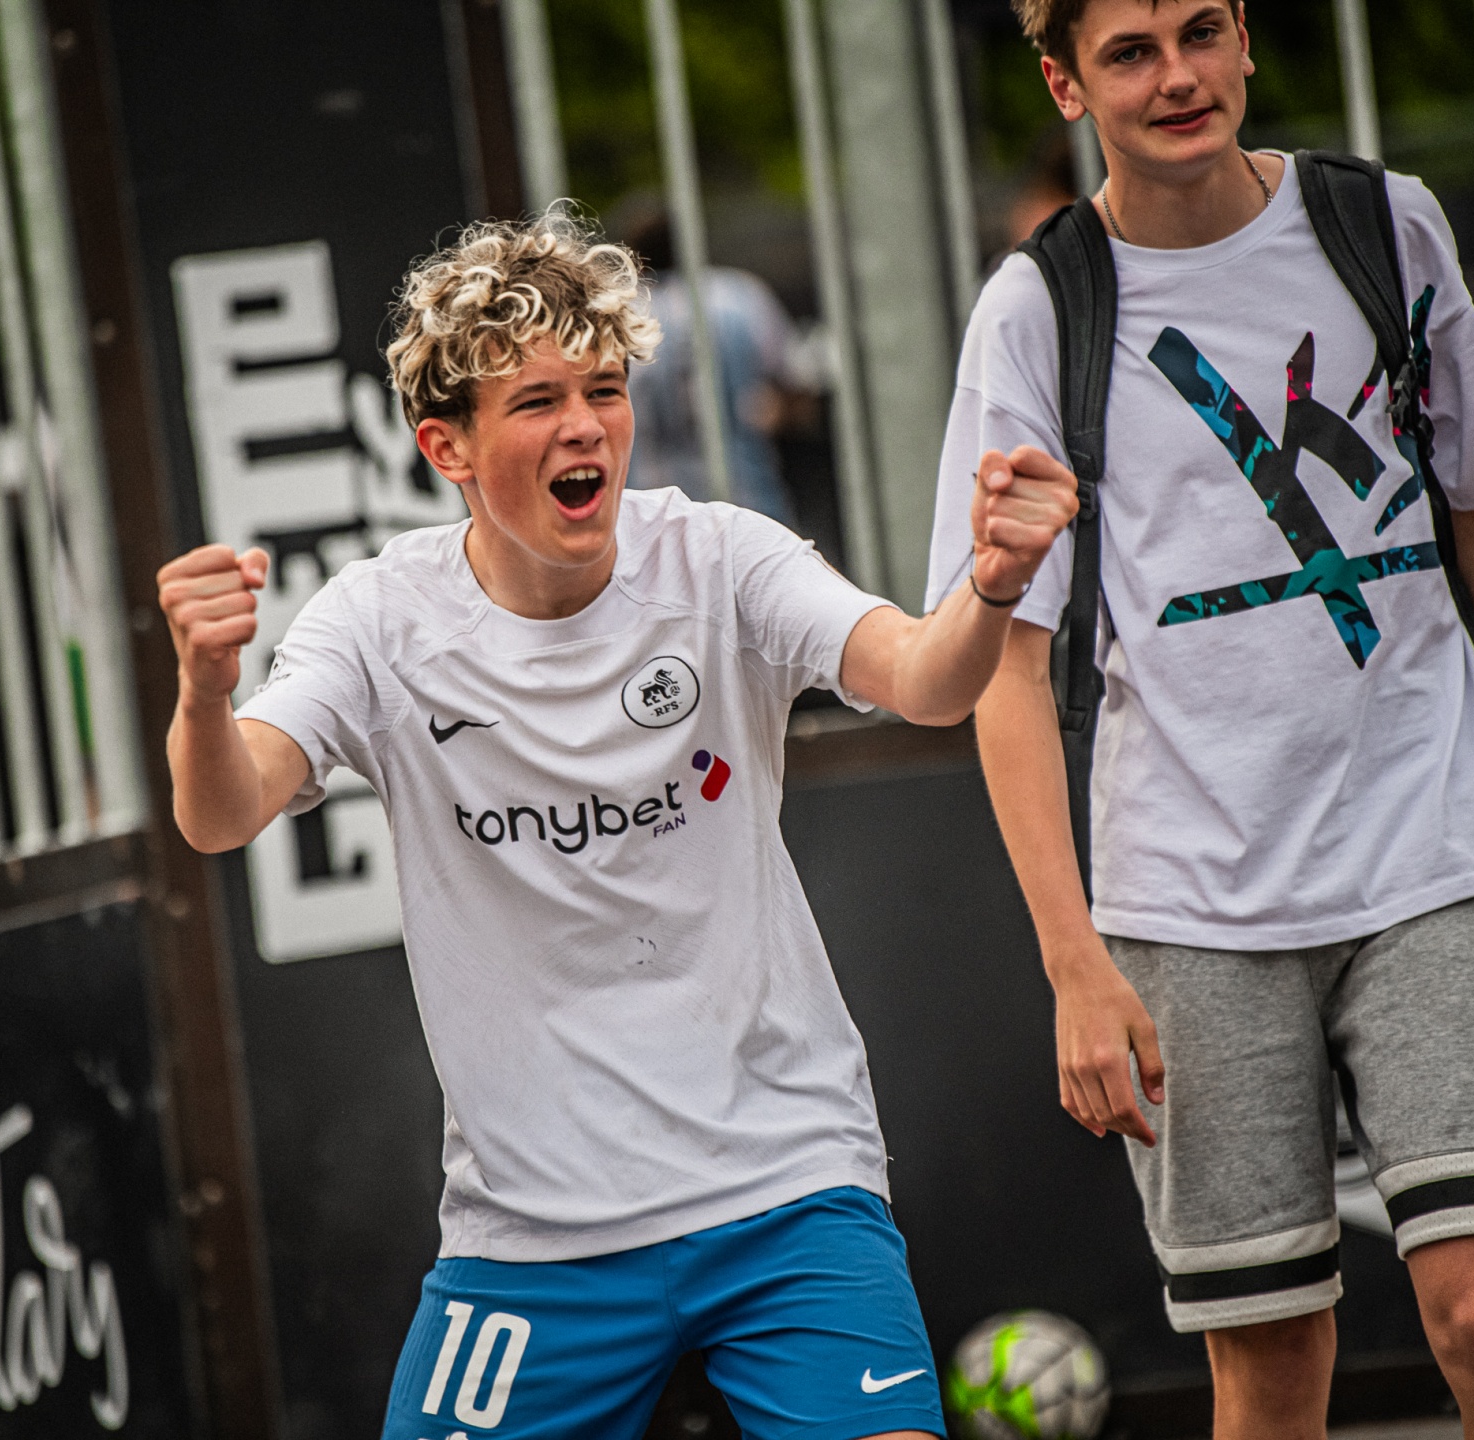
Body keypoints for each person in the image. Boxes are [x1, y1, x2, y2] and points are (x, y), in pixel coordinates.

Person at [159, 210, 1078, 1439]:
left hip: (787, 1188)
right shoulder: (378, 621)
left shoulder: (721, 559)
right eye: (537, 401)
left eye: (603, 388)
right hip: (535, 1242)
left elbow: (924, 679)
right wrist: (204, 691)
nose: (586, 424)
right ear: (446, 446)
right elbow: (222, 811)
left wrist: (992, 584)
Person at [927, 4, 1474, 1439]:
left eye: (1201, 31)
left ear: (1247, 38)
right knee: (1269, 1359)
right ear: (1065, 83)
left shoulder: (1385, 224)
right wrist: (1072, 961)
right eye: (1129, 53)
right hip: (1189, 895)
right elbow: (1004, 664)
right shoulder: (1040, 308)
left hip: (1436, 839)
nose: (1177, 76)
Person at [622, 211, 807, 526]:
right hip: (746, 499)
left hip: (651, 509)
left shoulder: (622, 310)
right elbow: (792, 384)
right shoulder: (739, 296)